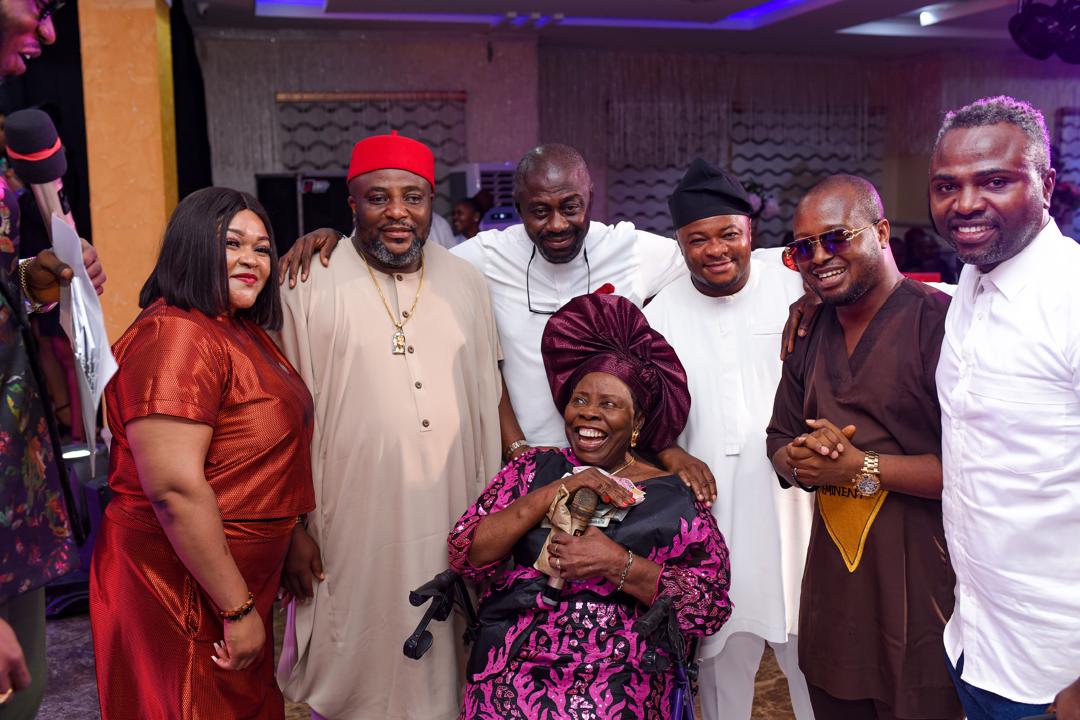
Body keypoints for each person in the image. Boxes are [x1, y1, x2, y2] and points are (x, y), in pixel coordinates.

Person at [277, 145, 717, 501]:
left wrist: (665, 447)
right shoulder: (483, 256)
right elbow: (402, 250)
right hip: (524, 468)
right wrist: (338, 240)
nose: (557, 224)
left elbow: (719, 258)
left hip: (619, 463)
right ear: (518, 207)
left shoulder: (632, 249)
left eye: (571, 207)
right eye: (539, 211)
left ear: (590, 197)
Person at [274, 131, 503, 720]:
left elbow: (489, 393)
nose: (398, 212)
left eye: (413, 197)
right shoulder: (306, 281)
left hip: (454, 507)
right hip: (347, 518)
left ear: (431, 203)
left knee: (451, 654)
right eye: (379, 198)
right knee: (356, 655)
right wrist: (291, 527)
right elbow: (281, 418)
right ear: (352, 204)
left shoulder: (467, 281)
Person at [448, 291, 731, 719]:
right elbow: (465, 555)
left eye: (609, 404)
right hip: (511, 674)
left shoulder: (674, 498)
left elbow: (708, 607)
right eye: (579, 400)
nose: (588, 414)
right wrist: (553, 493)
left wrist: (617, 564)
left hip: (623, 685)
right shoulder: (531, 470)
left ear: (637, 422)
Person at [89, 187, 314, 719]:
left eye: (262, 248)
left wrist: (289, 532)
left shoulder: (235, 327)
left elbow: (253, 454)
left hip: (229, 579)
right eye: (232, 243)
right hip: (176, 583)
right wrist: (235, 609)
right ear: (192, 245)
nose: (251, 260)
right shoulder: (175, 334)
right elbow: (174, 489)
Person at [766, 175, 961, 720]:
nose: (818, 258)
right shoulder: (808, 331)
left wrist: (861, 467)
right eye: (802, 248)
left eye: (836, 238)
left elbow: (974, 470)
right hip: (835, 593)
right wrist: (801, 463)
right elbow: (779, 438)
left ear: (880, 232)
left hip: (924, 592)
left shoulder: (941, 324)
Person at [643, 159, 815, 720]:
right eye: (698, 240)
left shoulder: (796, 284)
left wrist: (816, 294)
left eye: (728, 235)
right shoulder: (660, 314)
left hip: (797, 505)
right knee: (719, 664)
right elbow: (642, 414)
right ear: (680, 244)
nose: (716, 250)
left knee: (813, 656)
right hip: (713, 511)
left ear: (750, 232)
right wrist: (671, 452)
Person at [929, 95, 1080, 720]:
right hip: (975, 643)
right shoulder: (973, 278)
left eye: (994, 181)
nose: (965, 203)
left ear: (1046, 185)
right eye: (947, 185)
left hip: (1056, 673)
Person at [0, 2, 107, 716]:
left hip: (16, 492)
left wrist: (35, 283)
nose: (49, 33)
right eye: (37, 6)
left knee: (26, 690)